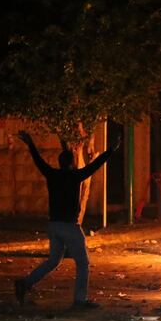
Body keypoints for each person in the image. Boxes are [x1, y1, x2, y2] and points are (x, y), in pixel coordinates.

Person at [15, 131, 120, 308]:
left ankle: (25, 283)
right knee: (83, 263)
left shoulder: (52, 174)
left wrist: (30, 144)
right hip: (70, 226)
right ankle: (80, 300)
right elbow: (95, 165)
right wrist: (111, 150)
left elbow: (38, 160)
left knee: (54, 260)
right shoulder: (75, 176)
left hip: (54, 225)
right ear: (71, 163)